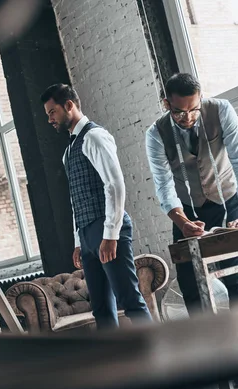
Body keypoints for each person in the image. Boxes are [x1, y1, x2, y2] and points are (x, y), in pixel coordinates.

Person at [145, 73, 238, 386]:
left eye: (193, 110)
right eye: (180, 112)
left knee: (235, 277)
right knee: (190, 285)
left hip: (229, 202)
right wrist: (182, 223)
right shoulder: (155, 133)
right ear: (166, 104)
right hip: (186, 212)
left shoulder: (220, 111)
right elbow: (163, 184)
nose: (188, 118)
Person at [40, 83, 151, 330]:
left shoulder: (95, 136)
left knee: (130, 300)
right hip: (87, 234)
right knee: (101, 308)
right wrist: (79, 242)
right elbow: (75, 198)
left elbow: (115, 185)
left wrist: (110, 235)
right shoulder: (69, 150)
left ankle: (160, 354)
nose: (50, 119)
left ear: (69, 105)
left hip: (107, 228)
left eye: (52, 112)